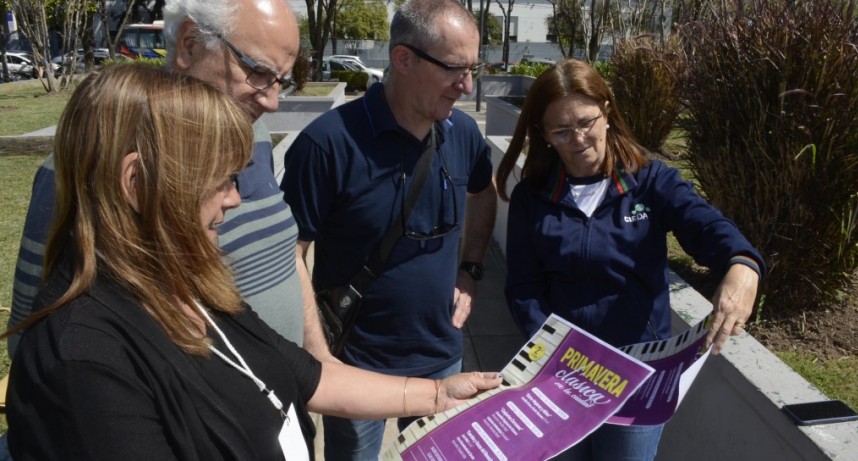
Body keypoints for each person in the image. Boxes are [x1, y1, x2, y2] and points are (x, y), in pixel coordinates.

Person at [3, 64, 502, 461]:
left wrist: (439, 395)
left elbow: (309, 377)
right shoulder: (83, 364)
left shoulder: (188, 286)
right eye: (221, 178)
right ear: (137, 183)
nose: (235, 198)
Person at [7, 0, 334, 362]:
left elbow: (283, 254)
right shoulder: (91, 164)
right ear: (190, 43)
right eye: (258, 71)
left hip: (295, 385)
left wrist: (320, 358)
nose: (272, 102)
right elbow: (37, 339)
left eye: (281, 81)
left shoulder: (253, 132)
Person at [495, 59, 765, 461]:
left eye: (586, 122)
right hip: (562, 374)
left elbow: (707, 226)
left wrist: (743, 264)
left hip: (636, 375)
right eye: (561, 131)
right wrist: (553, 351)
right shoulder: (531, 198)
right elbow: (523, 287)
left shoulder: (651, 182)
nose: (578, 139)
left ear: (607, 112)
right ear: (544, 135)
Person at [280, 0, 497, 459]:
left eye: (473, 69)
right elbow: (288, 253)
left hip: (443, 358)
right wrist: (320, 358)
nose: (467, 85)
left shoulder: (462, 134)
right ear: (403, 59)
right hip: (356, 366)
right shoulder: (327, 144)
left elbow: (484, 193)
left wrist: (471, 270)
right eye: (455, 69)